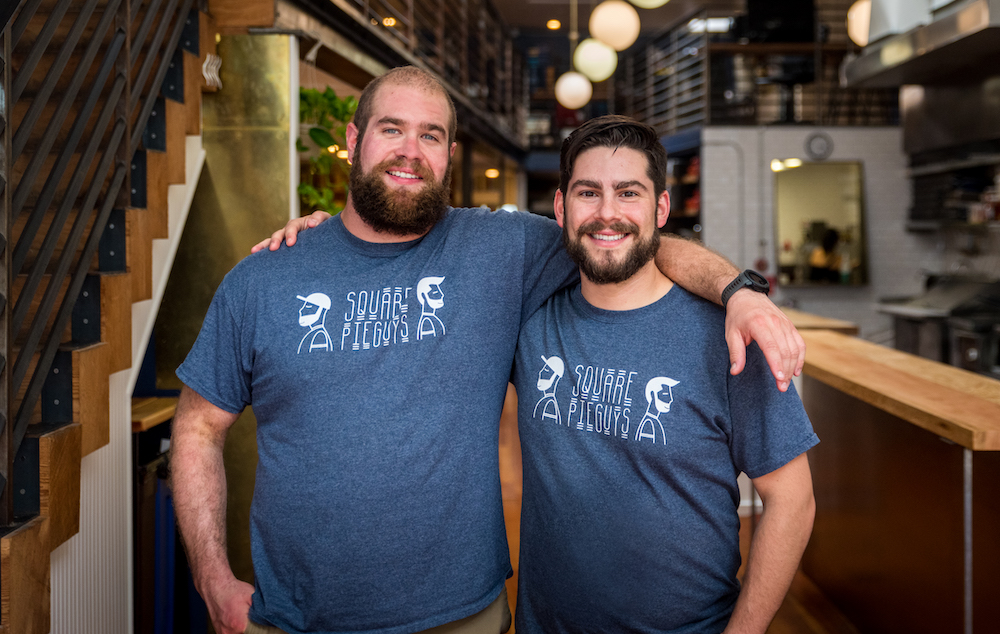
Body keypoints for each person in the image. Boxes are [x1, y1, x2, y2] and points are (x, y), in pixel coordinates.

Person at [171, 65, 805, 634]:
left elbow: (619, 237)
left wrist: (738, 292)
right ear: (353, 139)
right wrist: (212, 579)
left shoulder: (501, 251)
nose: (410, 152)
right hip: (295, 618)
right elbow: (198, 427)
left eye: (431, 135)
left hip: (462, 616)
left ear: (450, 152)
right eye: (392, 128)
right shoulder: (265, 277)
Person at [511, 115, 816, 633]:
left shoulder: (730, 337)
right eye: (588, 192)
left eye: (628, 193)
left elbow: (793, 501)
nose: (607, 214)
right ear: (561, 207)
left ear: (661, 208)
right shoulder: (531, 320)